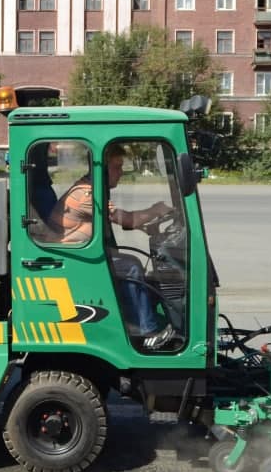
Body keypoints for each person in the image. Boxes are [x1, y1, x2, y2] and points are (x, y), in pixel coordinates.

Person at [43, 144, 174, 348]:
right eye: (117, 167)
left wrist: (147, 227)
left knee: (133, 266)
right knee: (131, 266)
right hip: (69, 261)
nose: (121, 172)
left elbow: (106, 221)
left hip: (74, 256)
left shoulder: (91, 189)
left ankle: (140, 319)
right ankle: (148, 331)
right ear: (101, 169)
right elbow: (128, 220)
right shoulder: (86, 194)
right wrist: (157, 209)